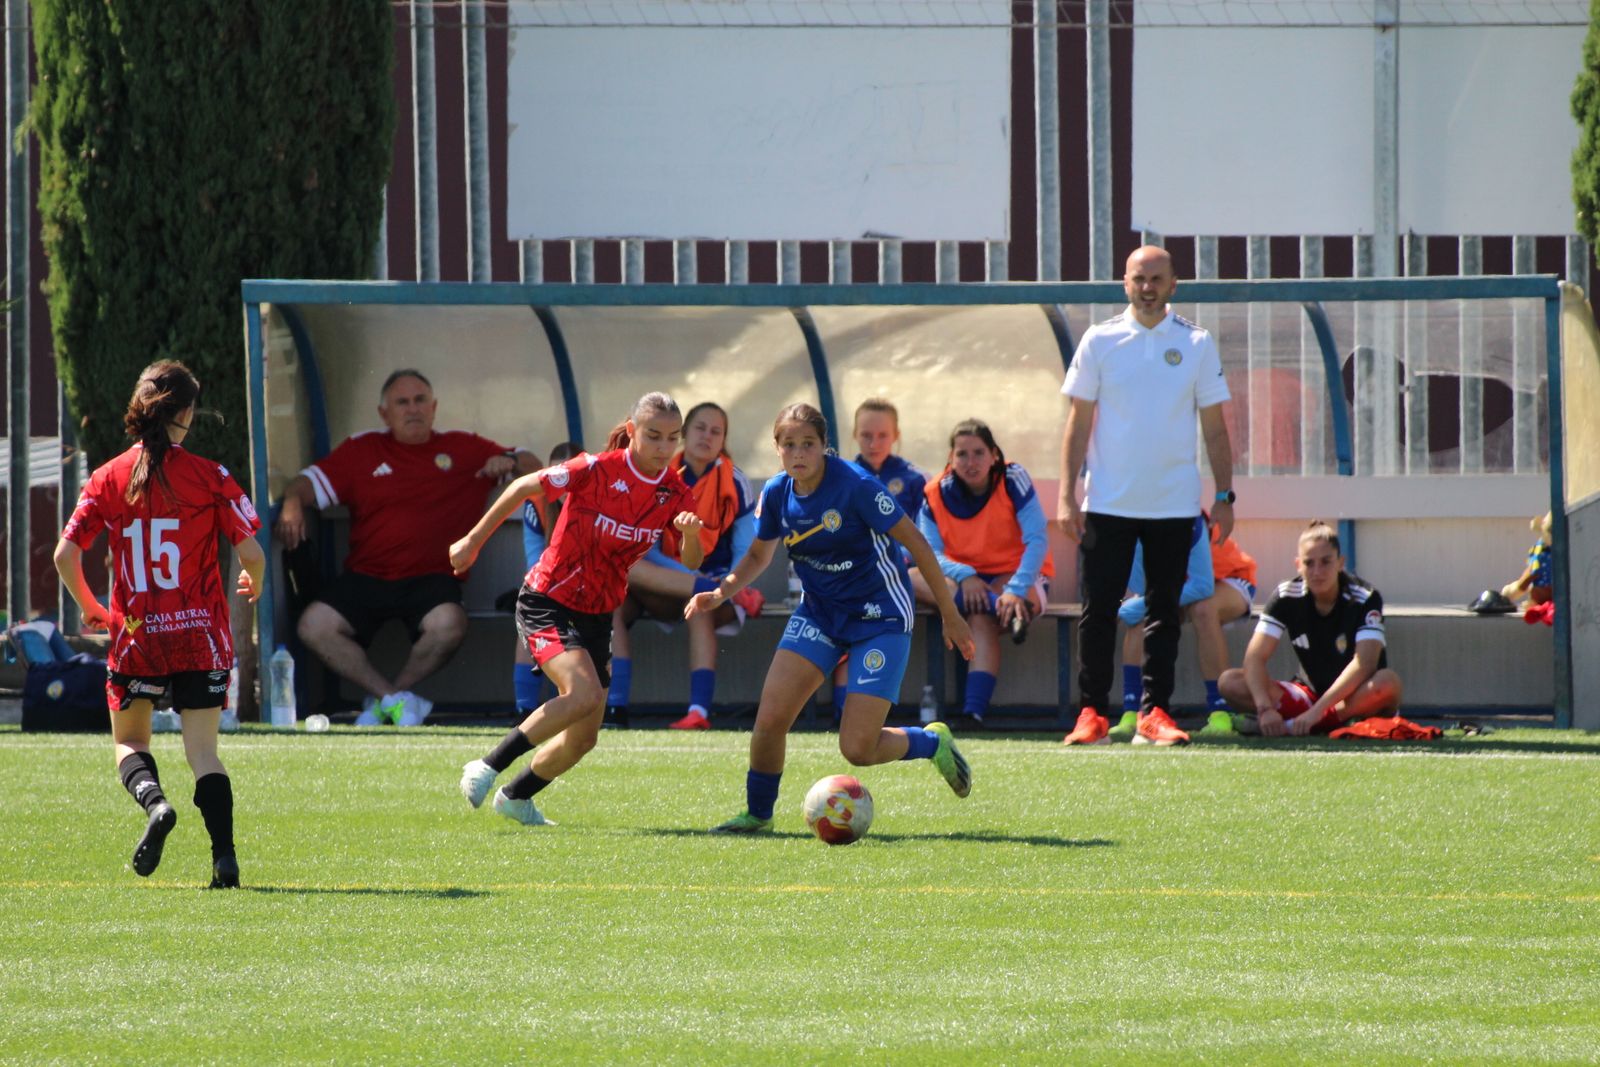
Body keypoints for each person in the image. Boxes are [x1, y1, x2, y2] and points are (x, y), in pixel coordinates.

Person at [684, 403, 978, 835]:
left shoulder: (857, 487)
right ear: (777, 448)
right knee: (770, 720)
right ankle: (758, 815)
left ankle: (932, 742)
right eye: (789, 445)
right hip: (820, 613)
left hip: (879, 615)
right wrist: (720, 591)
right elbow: (758, 555)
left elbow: (916, 543)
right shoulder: (777, 492)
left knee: (858, 749)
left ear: (824, 446)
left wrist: (950, 615)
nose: (798, 453)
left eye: (808, 444)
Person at [54, 360, 266, 888]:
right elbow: (252, 553)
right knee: (203, 753)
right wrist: (254, 580)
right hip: (200, 634)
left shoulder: (108, 476)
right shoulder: (211, 476)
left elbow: (64, 555)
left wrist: (91, 606)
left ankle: (156, 805)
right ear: (187, 413)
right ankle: (224, 860)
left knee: (130, 742)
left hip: (138, 635)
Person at [455, 393, 704, 826]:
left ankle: (515, 797)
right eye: (653, 436)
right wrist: (473, 541)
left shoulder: (673, 491)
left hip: (597, 614)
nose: (664, 447)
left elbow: (693, 560)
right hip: (547, 599)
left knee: (584, 738)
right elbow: (523, 486)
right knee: (582, 693)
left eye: (672, 438)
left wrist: (692, 535)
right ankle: (487, 765)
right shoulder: (594, 468)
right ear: (632, 431)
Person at [274, 369, 538, 726]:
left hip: (432, 578)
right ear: (384, 413)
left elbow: (534, 466)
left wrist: (510, 462)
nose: (413, 409)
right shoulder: (362, 450)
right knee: (313, 625)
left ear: (434, 407)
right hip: (367, 576)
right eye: (402, 402)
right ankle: (391, 699)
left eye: (420, 400)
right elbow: (305, 483)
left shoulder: (463, 449)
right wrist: (292, 502)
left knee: (450, 624)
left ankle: (388, 700)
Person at [1057, 245, 1236, 747]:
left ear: (1173, 284)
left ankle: (1155, 713)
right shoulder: (1099, 339)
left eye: (1157, 278)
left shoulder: (1196, 342)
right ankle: (1092, 713)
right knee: (1098, 611)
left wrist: (1225, 495)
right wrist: (1067, 496)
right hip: (1107, 502)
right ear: (1125, 283)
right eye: (1139, 278)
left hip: (1174, 505)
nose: (1147, 287)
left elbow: (1215, 427)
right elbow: (1078, 422)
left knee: (1164, 612)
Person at [606, 402, 764, 730]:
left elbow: (745, 549)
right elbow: (645, 550)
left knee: (700, 605)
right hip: (668, 583)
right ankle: (614, 708)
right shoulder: (660, 475)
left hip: (720, 590)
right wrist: (694, 578)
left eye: (716, 431)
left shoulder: (734, 480)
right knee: (614, 598)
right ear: (684, 434)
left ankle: (698, 712)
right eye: (700, 428)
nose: (707, 436)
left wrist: (728, 585)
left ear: (723, 440)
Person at [914, 418, 1052, 724]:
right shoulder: (934, 492)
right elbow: (929, 554)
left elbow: (1037, 539)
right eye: (962, 454)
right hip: (963, 582)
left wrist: (1015, 590)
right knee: (907, 579)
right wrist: (966, 576)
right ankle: (1005, 612)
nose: (970, 462)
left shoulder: (1013, 477)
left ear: (994, 455)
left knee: (980, 617)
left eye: (979, 453)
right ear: (951, 458)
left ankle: (973, 713)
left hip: (1018, 577)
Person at [1217, 521, 1402, 736]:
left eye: (1325, 562)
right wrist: (1264, 708)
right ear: (1298, 565)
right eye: (1309, 563)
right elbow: (1254, 658)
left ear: (1340, 563)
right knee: (1230, 682)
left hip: (1352, 696)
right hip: (1307, 695)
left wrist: (1318, 712)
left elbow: (1365, 665)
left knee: (1387, 683)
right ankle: (1324, 723)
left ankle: (1293, 727)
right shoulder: (1286, 595)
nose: (1317, 571)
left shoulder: (1365, 597)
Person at [829, 398, 928, 721]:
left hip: (898, 577)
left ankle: (964, 711)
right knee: (844, 621)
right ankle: (843, 712)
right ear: (854, 434)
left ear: (896, 435)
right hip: (852, 576)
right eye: (866, 435)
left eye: (882, 435)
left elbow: (923, 536)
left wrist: (896, 559)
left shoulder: (915, 480)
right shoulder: (839, 476)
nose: (874, 443)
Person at [1115, 512, 1256, 733]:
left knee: (1203, 609)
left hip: (1228, 578)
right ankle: (1132, 712)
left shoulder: (1185, 513)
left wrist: (1133, 607)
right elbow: (1137, 587)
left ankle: (1221, 712)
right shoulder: (1128, 518)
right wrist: (1123, 605)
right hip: (1179, 586)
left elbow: (1202, 586)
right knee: (1141, 616)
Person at [510, 440, 581, 720]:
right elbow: (534, 561)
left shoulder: (601, 501)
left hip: (591, 588)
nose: (562, 483)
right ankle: (524, 709)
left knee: (613, 614)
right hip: (550, 586)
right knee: (530, 609)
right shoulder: (537, 502)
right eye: (556, 475)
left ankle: (615, 708)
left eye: (569, 474)